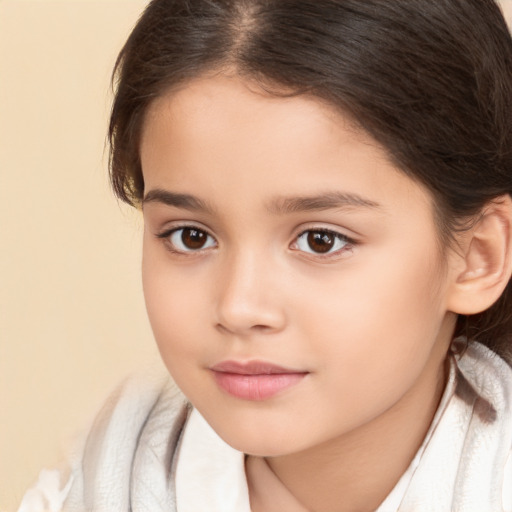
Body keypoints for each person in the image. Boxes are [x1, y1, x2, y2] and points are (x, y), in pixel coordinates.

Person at [18, 0, 512, 511]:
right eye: (190, 236)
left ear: (479, 256)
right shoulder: (89, 486)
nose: (239, 307)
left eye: (321, 240)